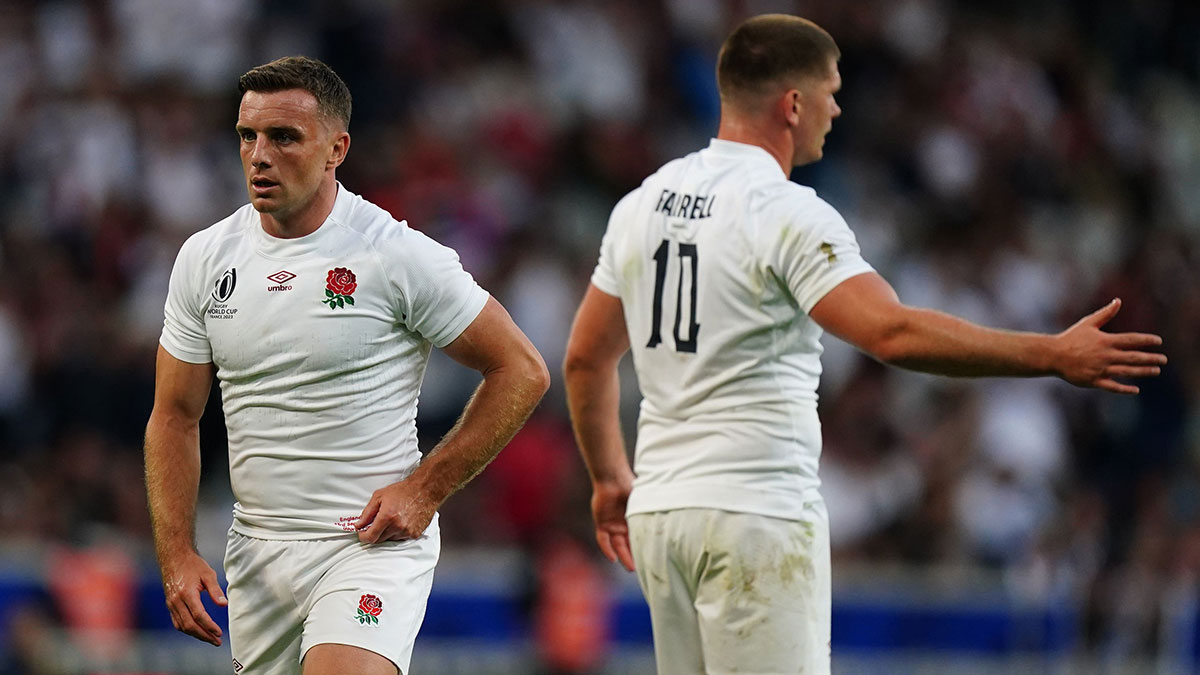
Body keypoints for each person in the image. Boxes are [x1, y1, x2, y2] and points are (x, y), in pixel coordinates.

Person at [562, 14, 1167, 675]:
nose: (838, 106)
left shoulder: (645, 204)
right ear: (792, 104)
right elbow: (889, 330)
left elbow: (587, 356)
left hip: (663, 512)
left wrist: (608, 476)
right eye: (831, 89)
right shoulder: (786, 212)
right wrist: (1048, 354)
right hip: (753, 512)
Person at [144, 56, 549, 675]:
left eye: (284, 137)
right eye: (247, 136)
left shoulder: (394, 254)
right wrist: (176, 553)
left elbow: (521, 369)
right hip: (256, 552)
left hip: (368, 545)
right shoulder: (205, 259)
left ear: (337, 148)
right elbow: (174, 415)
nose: (259, 155)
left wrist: (425, 489)